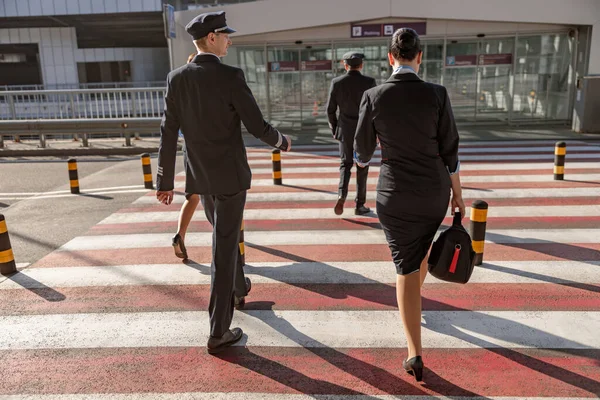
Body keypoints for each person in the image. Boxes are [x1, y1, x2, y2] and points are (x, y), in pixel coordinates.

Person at [155, 11, 292, 354]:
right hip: (230, 177)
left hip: (201, 176)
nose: (231, 39)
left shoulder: (176, 78)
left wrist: (165, 180)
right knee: (223, 246)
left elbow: (168, 131)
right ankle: (218, 330)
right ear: (212, 38)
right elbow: (256, 124)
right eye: (226, 35)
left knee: (225, 237)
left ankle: (239, 288)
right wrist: (282, 142)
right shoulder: (232, 76)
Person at [354, 28, 465, 382]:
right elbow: (451, 151)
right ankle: (412, 307)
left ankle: (414, 352)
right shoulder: (437, 94)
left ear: (390, 58)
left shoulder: (373, 96)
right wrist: (458, 193)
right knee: (416, 257)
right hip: (434, 192)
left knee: (405, 264)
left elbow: (363, 152)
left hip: (395, 193)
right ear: (419, 57)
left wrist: (359, 162)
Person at [326, 52, 376, 216]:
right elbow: (374, 110)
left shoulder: (337, 82)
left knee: (345, 164)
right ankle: (359, 205)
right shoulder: (369, 82)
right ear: (361, 65)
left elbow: (330, 110)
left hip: (345, 130)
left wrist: (335, 129)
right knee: (362, 166)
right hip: (363, 131)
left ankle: (342, 194)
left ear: (345, 65)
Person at [172, 52, 202, 260]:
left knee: (192, 196)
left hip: (189, 149)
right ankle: (228, 235)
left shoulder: (181, 92)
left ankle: (179, 235)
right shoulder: (205, 91)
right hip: (210, 150)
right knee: (219, 196)